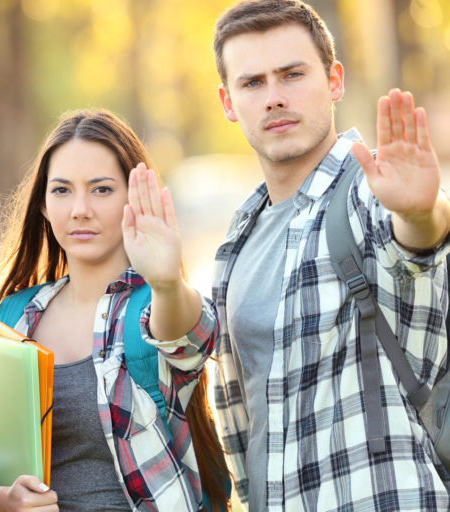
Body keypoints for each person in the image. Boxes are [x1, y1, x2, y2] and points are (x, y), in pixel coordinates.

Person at [210, 1, 450, 510]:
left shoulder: (371, 194)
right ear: (228, 102)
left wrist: (423, 214)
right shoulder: (235, 243)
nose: (274, 98)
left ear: (334, 80)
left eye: (292, 75)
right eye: (253, 83)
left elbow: (416, 251)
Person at [0, 109, 229, 511]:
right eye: (62, 190)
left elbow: (192, 338)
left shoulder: (153, 308)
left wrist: (167, 283)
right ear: (43, 207)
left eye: (101, 189)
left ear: (133, 199)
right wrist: (2, 501)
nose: (80, 209)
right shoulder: (15, 317)